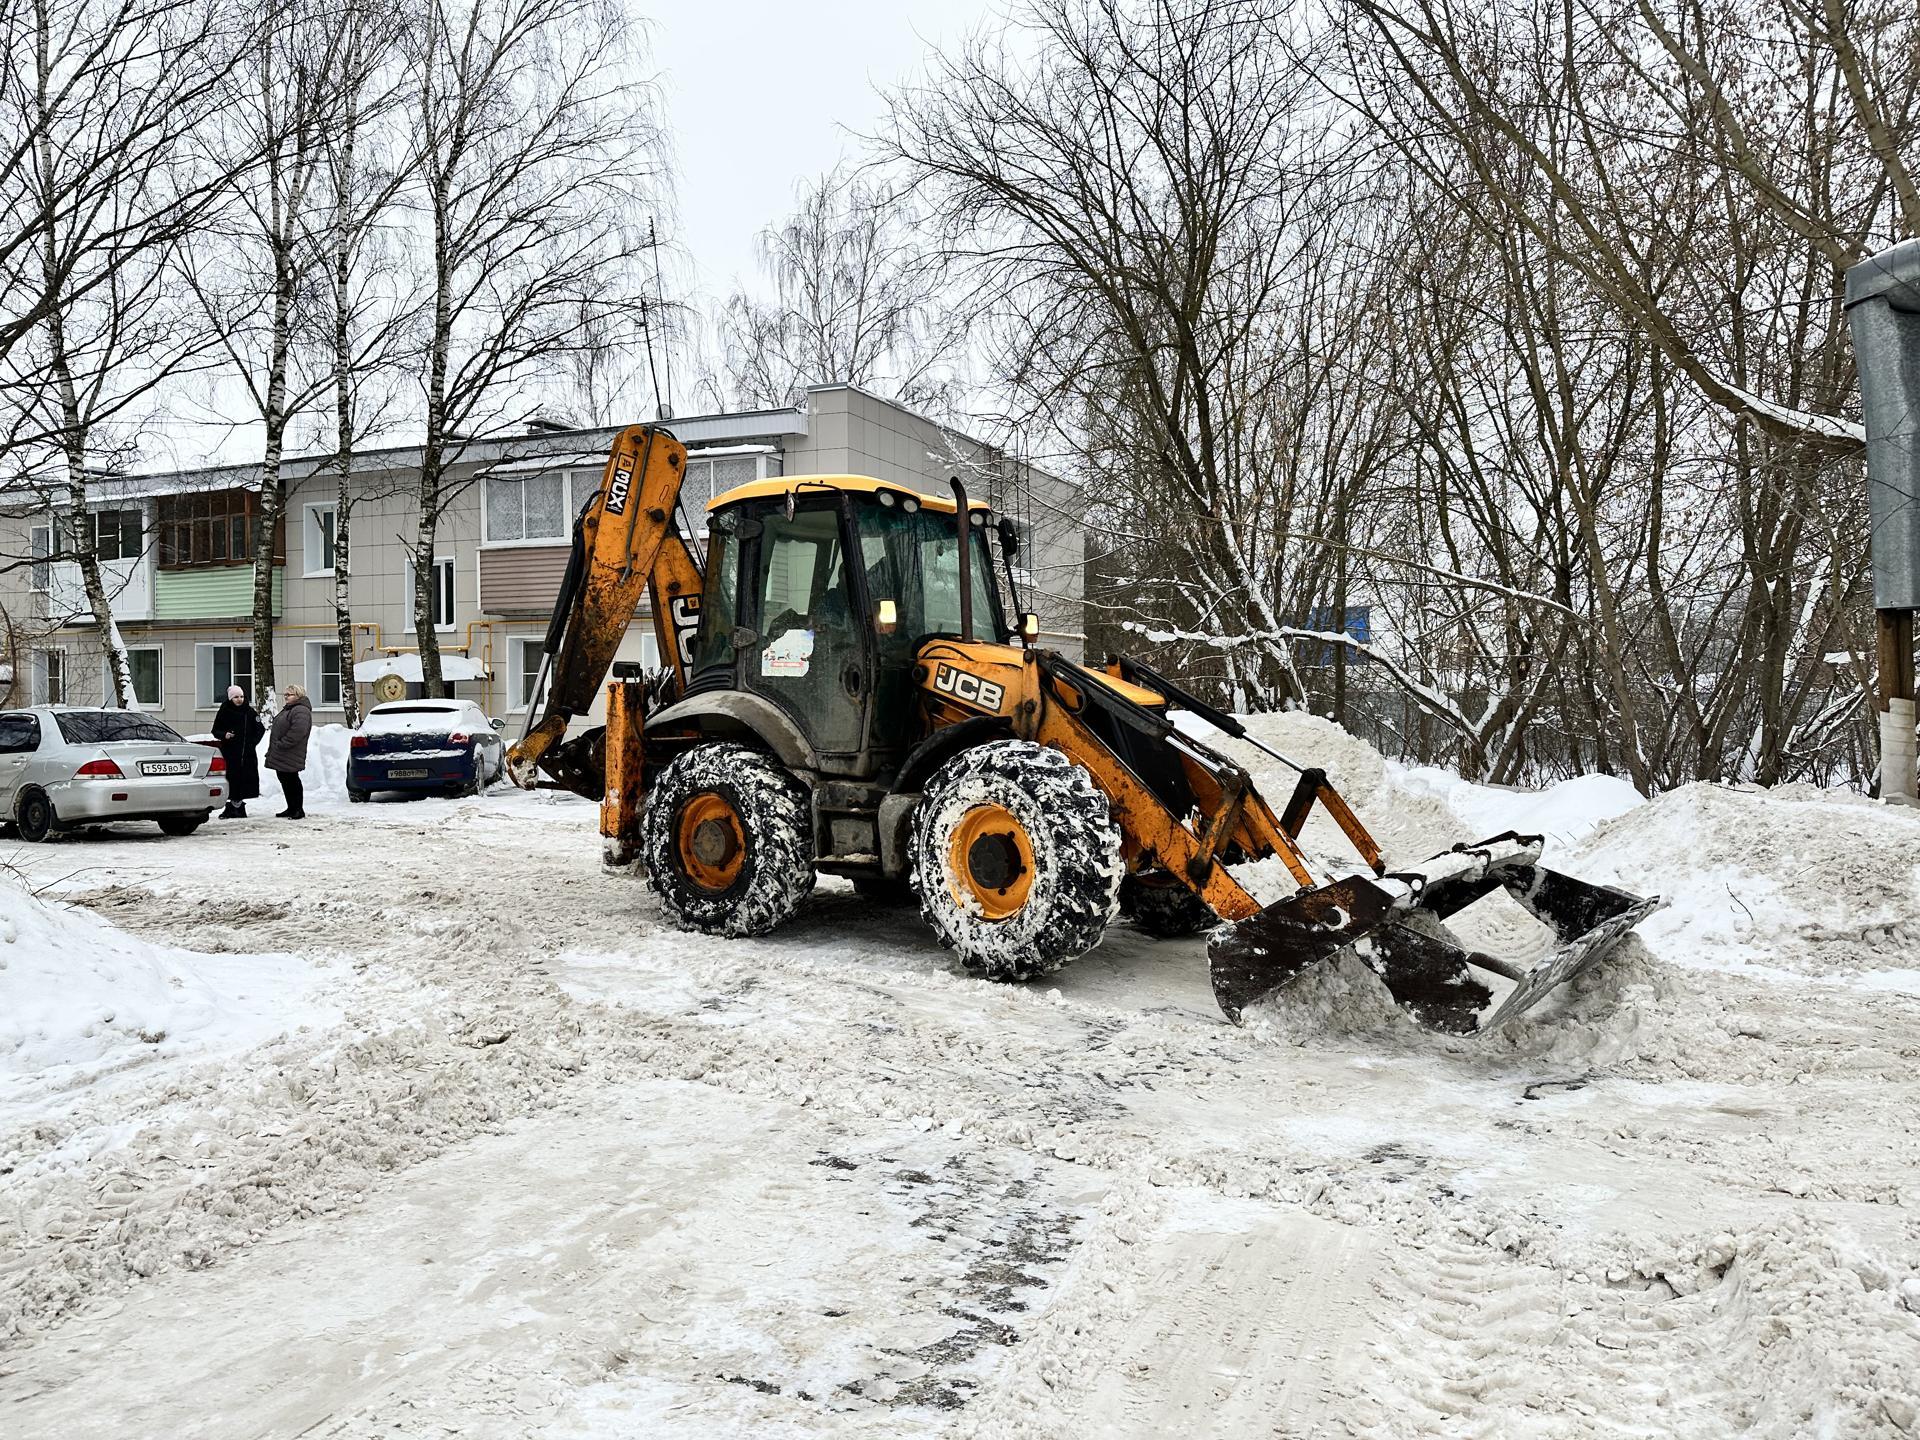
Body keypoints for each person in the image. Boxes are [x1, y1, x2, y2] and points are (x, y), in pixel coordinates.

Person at [212, 684, 264, 819]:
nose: (239, 700)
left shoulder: (249, 712)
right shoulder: (224, 710)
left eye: (241, 696)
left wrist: (252, 743)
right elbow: (215, 730)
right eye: (236, 697)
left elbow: (260, 729)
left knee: (244, 779)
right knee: (231, 778)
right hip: (230, 753)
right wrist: (225, 735)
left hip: (247, 754)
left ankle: (237, 806)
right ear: (230, 699)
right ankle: (234, 806)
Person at [267, 683, 313, 820]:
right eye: (285, 694)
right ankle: (291, 807)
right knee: (285, 779)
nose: (286, 697)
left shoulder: (300, 710)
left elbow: (298, 731)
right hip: (283, 752)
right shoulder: (290, 709)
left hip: (291, 751)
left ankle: (298, 809)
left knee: (292, 780)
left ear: (298, 696)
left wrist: (283, 743)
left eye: (289, 694)